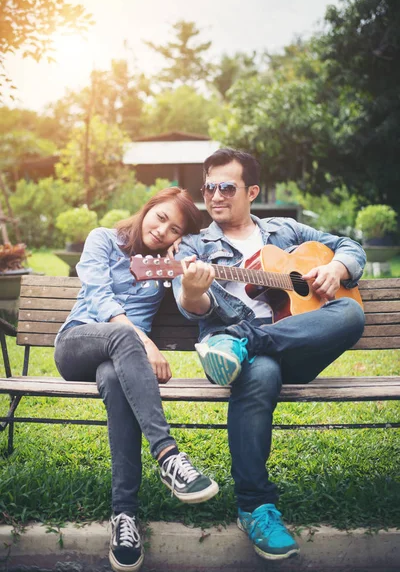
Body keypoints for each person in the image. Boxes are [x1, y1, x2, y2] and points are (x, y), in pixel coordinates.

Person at [172, 149, 366, 562]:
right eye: (209, 187)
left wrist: (338, 270)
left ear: (252, 191)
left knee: (350, 311)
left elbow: (350, 246)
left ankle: (247, 339)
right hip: (227, 357)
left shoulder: (285, 230)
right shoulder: (193, 246)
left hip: (287, 343)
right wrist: (193, 288)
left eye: (227, 187)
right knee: (258, 373)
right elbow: (192, 306)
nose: (215, 195)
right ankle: (256, 508)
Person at [54, 187, 219, 572]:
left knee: (114, 378)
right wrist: (145, 341)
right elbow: (96, 295)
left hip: (118, 362)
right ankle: (168, 455)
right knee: (124, 336)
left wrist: (186, 252)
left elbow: (193, 299)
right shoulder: (104, 239)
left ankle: (124, 517)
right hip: (77, 343)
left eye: (174, 228)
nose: (163, 231)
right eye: (160, 217)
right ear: (147, 209)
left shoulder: (167, 262)